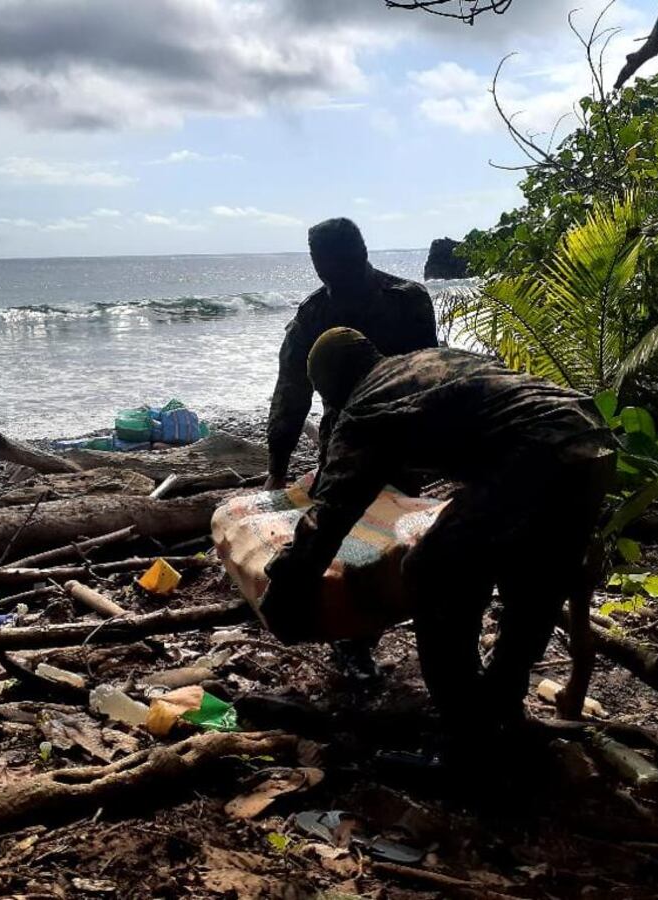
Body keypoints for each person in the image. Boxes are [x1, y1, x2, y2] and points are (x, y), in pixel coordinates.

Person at [259, 328, 617, 745]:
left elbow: (332, 514)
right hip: (592, 439)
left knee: (432, 573)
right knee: (532, 579)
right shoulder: (425, 361)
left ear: (333, 386)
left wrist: (284, 588)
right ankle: (501, 709)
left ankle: (465, 737)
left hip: (536, 450)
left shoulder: (363, 407)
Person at [264, 218, 438, 490]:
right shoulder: (313, 314)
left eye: (340, 262)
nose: (332, 270)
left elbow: (429, 375)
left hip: (399, 436)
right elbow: (291, 390)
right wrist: (277, 469)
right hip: (343, 438)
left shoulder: (407, 300)